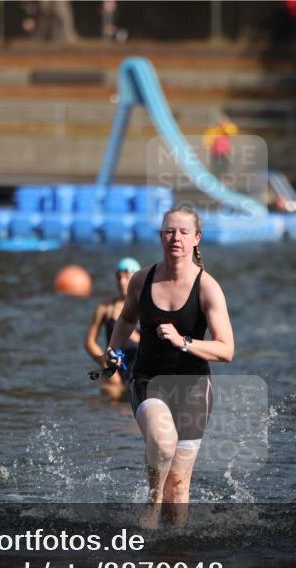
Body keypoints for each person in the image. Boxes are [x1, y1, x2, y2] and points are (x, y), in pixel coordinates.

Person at [104, 206, 234, 528]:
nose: (175, 238)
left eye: (183, 232)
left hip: (193, 388)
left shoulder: (207, 287)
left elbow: (226, 349)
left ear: (196, 239)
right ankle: (152, 500)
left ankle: (176, 552)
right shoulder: (142, 279)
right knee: (162, 441)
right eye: (169, 231)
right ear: (161, 236)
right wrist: (112, 349)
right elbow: (126, 319)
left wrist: (184, 342)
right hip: (149, 378)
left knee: (178, 486)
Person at [85, 257, 142, 400]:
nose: (122, 282)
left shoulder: (147, 307)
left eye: (127, 277)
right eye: (119, 277)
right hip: (113, 369)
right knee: (113, 407)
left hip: (138, 369)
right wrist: (105, 363)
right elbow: (89, 342)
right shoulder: (106, 308)